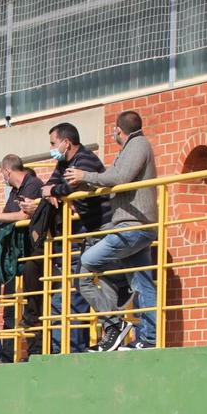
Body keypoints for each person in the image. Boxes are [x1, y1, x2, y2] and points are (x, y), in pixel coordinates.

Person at [67, 109, 158, 351]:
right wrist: (85, 181)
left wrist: (85, 174)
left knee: (87, 264)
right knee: (142, 283)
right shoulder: (132, 147)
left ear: (118, 129)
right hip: (131, 225)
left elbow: (120, 176)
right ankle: (148, 338)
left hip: (132, 225)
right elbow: (110, 177)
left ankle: (116, 318)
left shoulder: (138, 145)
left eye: (114, 130)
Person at [23, 121, 106, 353]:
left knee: (79, 288)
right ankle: (65, 347)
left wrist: (54, 192)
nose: (51, 148)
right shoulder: (64, 162)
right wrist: (51, 192)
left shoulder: (85, 159)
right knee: (65, 292)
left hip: (92, 229)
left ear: (66, 143)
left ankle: (75, 346)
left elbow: (71, 187)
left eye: (53, 143)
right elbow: (49, 186)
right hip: (74, 232)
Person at [0, 154, 44, 361]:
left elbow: (23, 216)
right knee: (10, 308)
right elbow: (10, 215)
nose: (3, 178)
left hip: (33, 252)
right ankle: (7, 356)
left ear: (7, 171)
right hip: (15, 255)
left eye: (2, 174)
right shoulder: (15, 191)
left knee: (34, 303)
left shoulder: (33, 184)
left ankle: (37, 350)